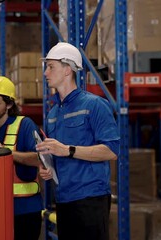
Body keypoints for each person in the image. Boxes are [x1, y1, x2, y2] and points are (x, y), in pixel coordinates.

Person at [36, 42, 120, 240]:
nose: (46, 73)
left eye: (51, 67)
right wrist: (48, 168)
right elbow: (57, 155)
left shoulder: (95, 105)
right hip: (64, 199)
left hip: (90, 198)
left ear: (67, 70)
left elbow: (111, 151)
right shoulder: (53, 114)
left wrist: (67, 150)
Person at [0, 76, 43, 240]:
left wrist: (5, 152)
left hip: (26, 210)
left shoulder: (25, 125)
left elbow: (40, 159)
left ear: (9, 104)